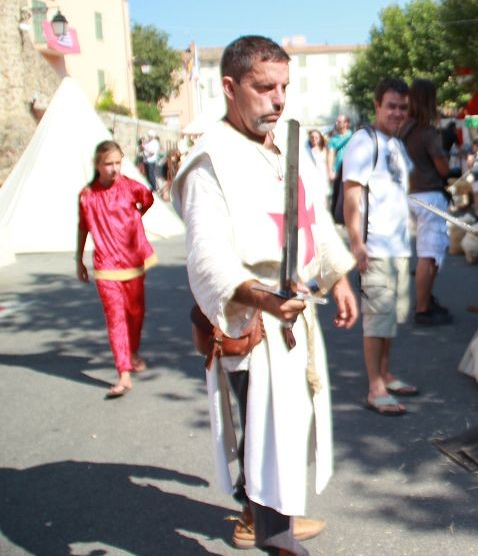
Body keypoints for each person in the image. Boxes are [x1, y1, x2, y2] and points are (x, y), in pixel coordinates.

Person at [172, 35, 359, 554]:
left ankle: (267, 512)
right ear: (230, 87)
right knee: (264, 427)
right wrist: (262, 299)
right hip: (249, 319)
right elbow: (207, 257)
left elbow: (313, 223)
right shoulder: (210, 161)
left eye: (284, 87)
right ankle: (271, 533)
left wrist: (339, 276)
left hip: (291, 314)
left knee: (286, 422)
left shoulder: (286, 149)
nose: (278, 100)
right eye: (264, 88)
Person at [343, 78, 416, 415]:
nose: (397, 113)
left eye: (402, 107)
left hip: (399, 247)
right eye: (391, 106)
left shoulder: (396, 144)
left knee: (389, 320)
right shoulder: (364, 142)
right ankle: (375, 388)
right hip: (376, 247)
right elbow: (351, 197)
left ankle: (385, 374)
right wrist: (357, 244)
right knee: (376, 321)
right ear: (377, 106)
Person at [76, 140, 156, 398]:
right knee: (116, 319)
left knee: (135, 313)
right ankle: (124, 373)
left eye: (118, 163)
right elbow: (83, 226)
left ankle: (132, 352)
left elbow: (148, 199)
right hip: (106, 266)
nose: (114, 169)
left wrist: (134, 219)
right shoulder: (87, 196)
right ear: (97, 165)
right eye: (108, 164)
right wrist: (79, 259)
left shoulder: (131, 187)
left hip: (133, 262)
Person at [399, 79, 452, 326]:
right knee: (429, 254)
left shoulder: (402, 129)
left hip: (409, 194)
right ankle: (422, 308)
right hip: (429, 196)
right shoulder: (426, 131)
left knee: (425, 253)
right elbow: (443, 168)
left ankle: (425, 299)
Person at [327, 115, 353, 223]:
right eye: (337, 121)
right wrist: (330, 170)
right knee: (337, 194)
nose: (337, 123)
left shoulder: (353, 136)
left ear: (346, 123)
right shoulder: (333, 139)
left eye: (340, 121)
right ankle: (336, 219)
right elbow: (330, 154)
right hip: (338, 169)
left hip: (351, 170)